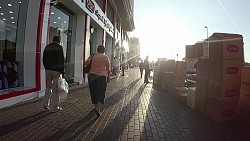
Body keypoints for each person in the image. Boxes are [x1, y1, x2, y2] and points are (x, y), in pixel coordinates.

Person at [86, 45, 110, 117]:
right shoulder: (106, 57)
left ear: (97, 50)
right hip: (102, 77)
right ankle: (98, 107)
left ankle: (95, 105)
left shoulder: (93, 56)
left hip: (92, 75)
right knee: (101, 91)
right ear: (104, 50)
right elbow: (108, 69)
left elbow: (86, 63)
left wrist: (90, 57)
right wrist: (108, 77)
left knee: (93, 91)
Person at [42, 36, 65, 112]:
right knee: (55, 90)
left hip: (48, 69)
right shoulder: (59, 47)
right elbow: (61, 60)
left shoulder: (47, 47)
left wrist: (46, 67)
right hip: (56, 70)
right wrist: (62, 71)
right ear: (59, 41)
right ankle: (55, 107)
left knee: (49, 86)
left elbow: (44, 58)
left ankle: (45, 103)